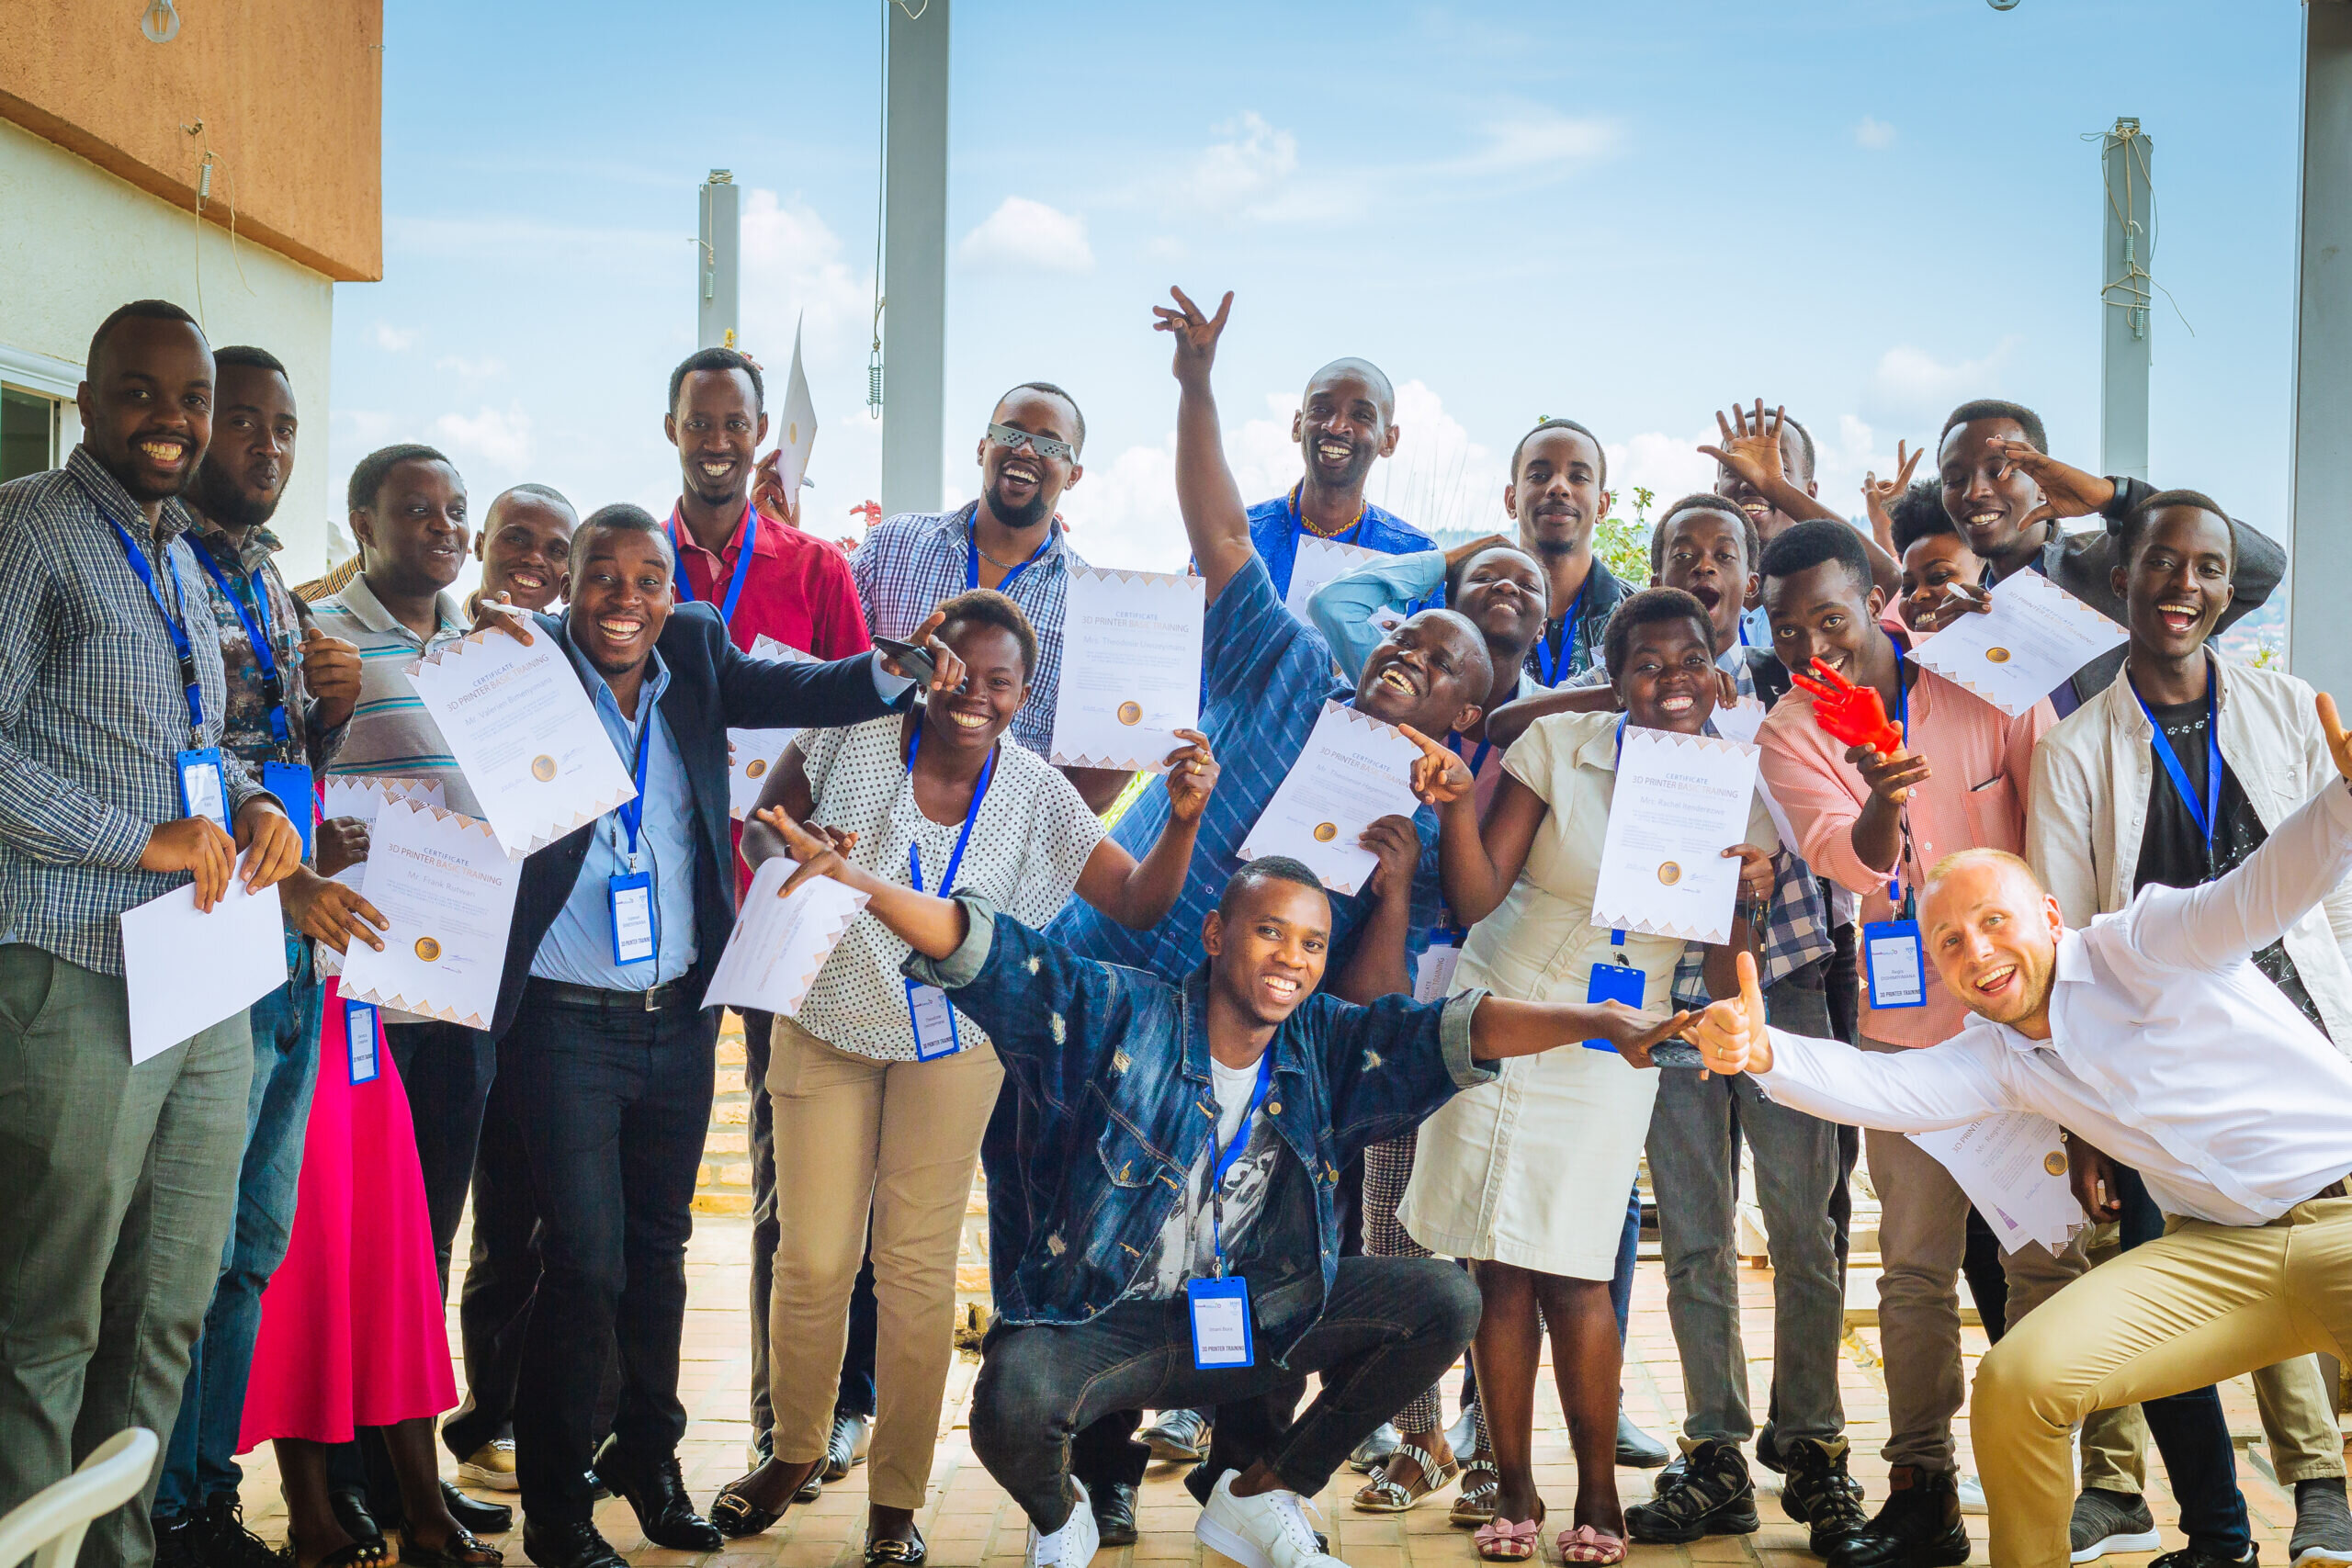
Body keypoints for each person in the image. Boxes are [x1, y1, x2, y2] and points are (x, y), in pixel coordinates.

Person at [758, 798, 1696, 1568]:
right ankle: (1061, 1517)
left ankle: (1262, 1494)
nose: (1291, 959)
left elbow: (1462, 1026)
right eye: (1269, 932)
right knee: (1010, 1398)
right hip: (1108, 1325)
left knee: (1443, 1300)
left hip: (1251, 1320)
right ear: (1216, 934)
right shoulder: (1116, 1013)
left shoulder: (1325, 1044)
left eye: (1312, 944)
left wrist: (1598, 1021)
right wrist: (859, 882)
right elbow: (992, 953)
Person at [1684, 687, 2352, 1568]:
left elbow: (2259, 892)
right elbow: (1886, 1087)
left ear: (2050, 916)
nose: (1978, 952)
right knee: (2016, 1382)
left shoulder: (2144, 942)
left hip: (2341, 1211)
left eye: (1994, 921)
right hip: (2219, 1252)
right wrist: (1764, 1049)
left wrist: (2343, 802)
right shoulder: (2003, 1053)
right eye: (1950, 942)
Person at [1042, 288, 1493, 1539]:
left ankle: (1243, 1478)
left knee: (1243, 1247)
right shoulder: (1287, 659)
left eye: (1439, 661)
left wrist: (1393, 886)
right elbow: (1219, 526)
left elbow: (1364, 1005)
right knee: (1094, 1230)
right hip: (1116, 973)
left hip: (1249, 1058)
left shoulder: (1416, 812)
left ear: (1459, 716)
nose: (1405, 651)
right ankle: (1097, 1467)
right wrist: (1195, 380)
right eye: (1403, 631)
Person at [474, 506, 953, 1568]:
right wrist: (481, 628)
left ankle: (649, 1463)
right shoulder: (527, 660)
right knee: (584, 1264)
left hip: (679, 1016)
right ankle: (556, 1510)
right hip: (560, 1021)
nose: (626, 598)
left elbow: (808, 690)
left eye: (647, 579)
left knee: (659, 1254)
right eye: (603, 576)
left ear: (668, 595)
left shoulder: (692, 646)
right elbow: (465, 669)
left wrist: (894, 668)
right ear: (571, 586)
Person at [709, 592, 1218, 1562]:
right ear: (922, 664)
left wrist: (1182, 824)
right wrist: (795, 859)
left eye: (998, 680)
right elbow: (762, 827)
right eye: (954, 668)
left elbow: (1136, 900)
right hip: (825, 1021)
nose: (972, 694)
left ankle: (896, 1501)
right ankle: (794, 1450)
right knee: (813, 1258)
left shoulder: (1034, 792)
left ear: (1024, 693)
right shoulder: (853, 732)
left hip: (953, 1045)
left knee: (915, 1268)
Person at [0, 299, 305, 1568]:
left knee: (167, 1305)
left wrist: (251, 805)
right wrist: (140, 840)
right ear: (88, 401)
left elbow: (198, 743)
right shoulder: (27, 528)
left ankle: (119, 1550)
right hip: (74, 965)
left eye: (190, 398)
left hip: (199, 970)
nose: (170, 419)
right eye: (141, 392)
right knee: (49, 1317)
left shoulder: (181, 556)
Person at [1753, 519, 2120, 1568]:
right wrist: (1881, 796)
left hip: (2027, 1017)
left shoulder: (1978, 670)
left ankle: (2051, 1482)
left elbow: (2056, 823)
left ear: (1873, 600)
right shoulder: (1790, 729)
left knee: (2045, 1255)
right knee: (1913, 1268)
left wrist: (2071, 1006)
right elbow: (1852, 863)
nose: (1813, 648)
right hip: (1905, 1034)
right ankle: (1921, 1489)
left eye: (1830, 619)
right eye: (1788, 632)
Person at [1399, 588, 1777, 1567]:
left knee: (1574, 1267)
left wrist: (1744, 896)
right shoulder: (1559, 746)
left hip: (1617, 1039)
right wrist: (1454, 808)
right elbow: (1477, 893)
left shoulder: (1734, 787)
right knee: (1497, 1265)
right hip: (1502, 1007)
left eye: (1689, 661)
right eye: (1646, 665)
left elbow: (1724, 972)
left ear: (1716, 672)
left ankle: (1600, 1491)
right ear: (1615, 681)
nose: (1671, 682)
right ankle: (1513, 1484)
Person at [2028, 491, 2352, 1567]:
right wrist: (2082, 1124)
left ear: (2228, 587)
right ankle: (2208, 1524)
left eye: (2208, 567)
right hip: (2158, 1058)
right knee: (2173, 1276)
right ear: (2121, 578)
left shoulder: (2286, 708)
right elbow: (2065, 939)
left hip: (2296, 1035)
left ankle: (2319, 1494)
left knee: (2300, 1256)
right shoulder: (2075, 749)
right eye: (2162, 562)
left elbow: (2336, 896)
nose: (2185, 586)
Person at [153, 344, 375, 1568]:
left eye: (284, 426)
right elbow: (175, 764)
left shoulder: (272, 580)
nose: (268, 446)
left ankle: (205, 1496)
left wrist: (326, 720)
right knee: (183, 1252)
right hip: (207, 947)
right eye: (244, 420)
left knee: (250, 1247)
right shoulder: (161, 568)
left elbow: (275, 759)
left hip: (290, 951)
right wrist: (280, 886)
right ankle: (156, 1509)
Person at [1306, 536, 1549, 1513]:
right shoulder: (1351, 723)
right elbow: (1341, 607)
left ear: (1471, 705)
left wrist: (1449, 804)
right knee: (1390, 1217)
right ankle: (1418, 1437)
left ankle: (1491, 1441)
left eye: (1522, 583)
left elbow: (1480, 895)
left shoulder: (1517, 746)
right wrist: (1453, 556)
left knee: (1487, 1223)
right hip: (1387, 1014)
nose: (1502, 589)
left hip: (1481, 1006)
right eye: (1483, 575)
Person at [304, 444, 517, 1548]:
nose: (443, 526)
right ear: (362, 522)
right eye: (416, 509)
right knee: (343, 1248)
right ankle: (339, 1479)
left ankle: (404, 1476)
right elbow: (279, 773)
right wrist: (312, 840)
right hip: (355, 1000)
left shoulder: (482, 650)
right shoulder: (318, 638)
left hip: (455, 994)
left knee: (422, 1244)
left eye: (455, 510)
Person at [850, 379, 1130, 812]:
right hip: (864, 808)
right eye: (1010, 434)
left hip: (999, 838)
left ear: (1073, 475)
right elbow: (830, 669)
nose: (1026, 450)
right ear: (982, 448)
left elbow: (1086, 791)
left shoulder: (1091, 608)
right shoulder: (893, 546)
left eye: (1049, 445)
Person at [1931, 399, 2285, 713]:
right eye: (1954, 479)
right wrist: (1950, 655)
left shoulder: (2123, 560)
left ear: (2043, 484)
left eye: (1999, 471)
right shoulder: (1970, 609)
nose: (1974, 492)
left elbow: (2265, 567)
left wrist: (2116, 497)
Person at [1241, 354, 1434, 609]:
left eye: (1361, 415)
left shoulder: (1414, 557)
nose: (1336, 426)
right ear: (1297, 425)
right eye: (1321, 409)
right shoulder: (1241, 538)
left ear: (1388, 440)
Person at [1702, 400, 1899, 648]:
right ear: (1716, 492)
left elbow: (1887, 575)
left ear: (1809, 493)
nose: (1749, 482)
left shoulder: (1834, 585)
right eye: (1734, 468)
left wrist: (1775, 486)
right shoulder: (1693, 588)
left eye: (1777, 467)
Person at [465, 484, 576, 617]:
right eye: (517, 540)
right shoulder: (441, 625)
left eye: (557, 551)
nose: (534, 560)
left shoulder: (573, 631)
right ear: (479, 546)